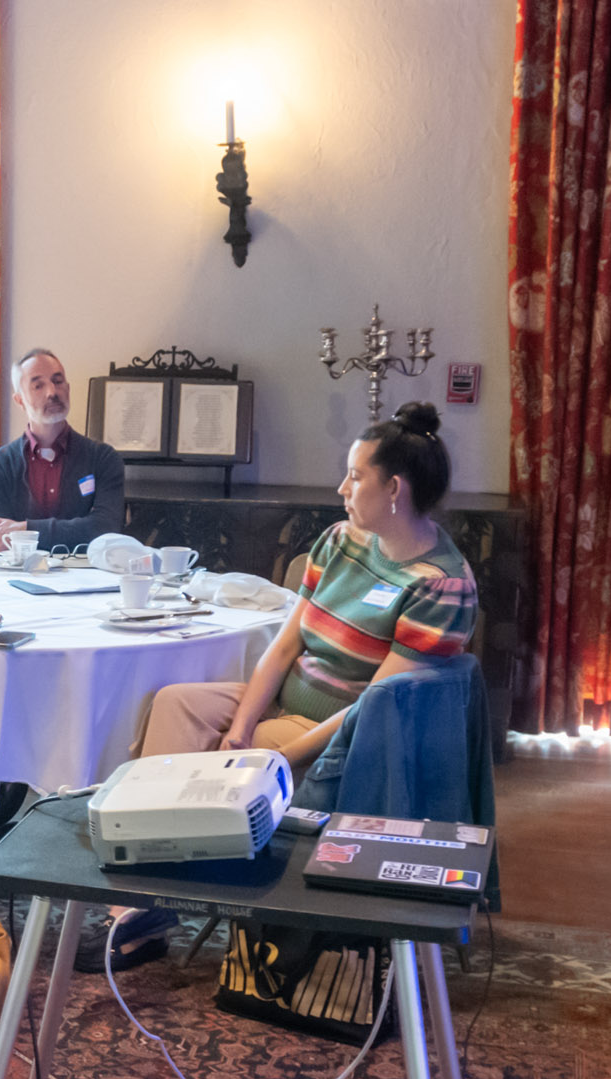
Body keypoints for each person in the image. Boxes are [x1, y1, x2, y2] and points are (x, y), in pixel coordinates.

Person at [122, 402, 480, 960]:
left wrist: (281, 757)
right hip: (283, 708)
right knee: (173, 705)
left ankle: (165, 895)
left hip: (347, 743)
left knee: (227, 762)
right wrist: (241, 725)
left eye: (356, 476)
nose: (341, 487)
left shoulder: (440, 585)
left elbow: (373, 708)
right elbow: (286, 644)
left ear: (394, 490)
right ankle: (144, 901)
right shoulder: (340, 541)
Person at [0, 346, 125, 554]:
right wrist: (76, 531)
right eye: (38, 386)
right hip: (17, 582)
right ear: (20, 401)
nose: (52, 392)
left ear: (68, 389)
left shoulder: (103, 459)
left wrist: (26, 529)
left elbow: (106, 530)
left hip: (87, 582)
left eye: (58, 381)